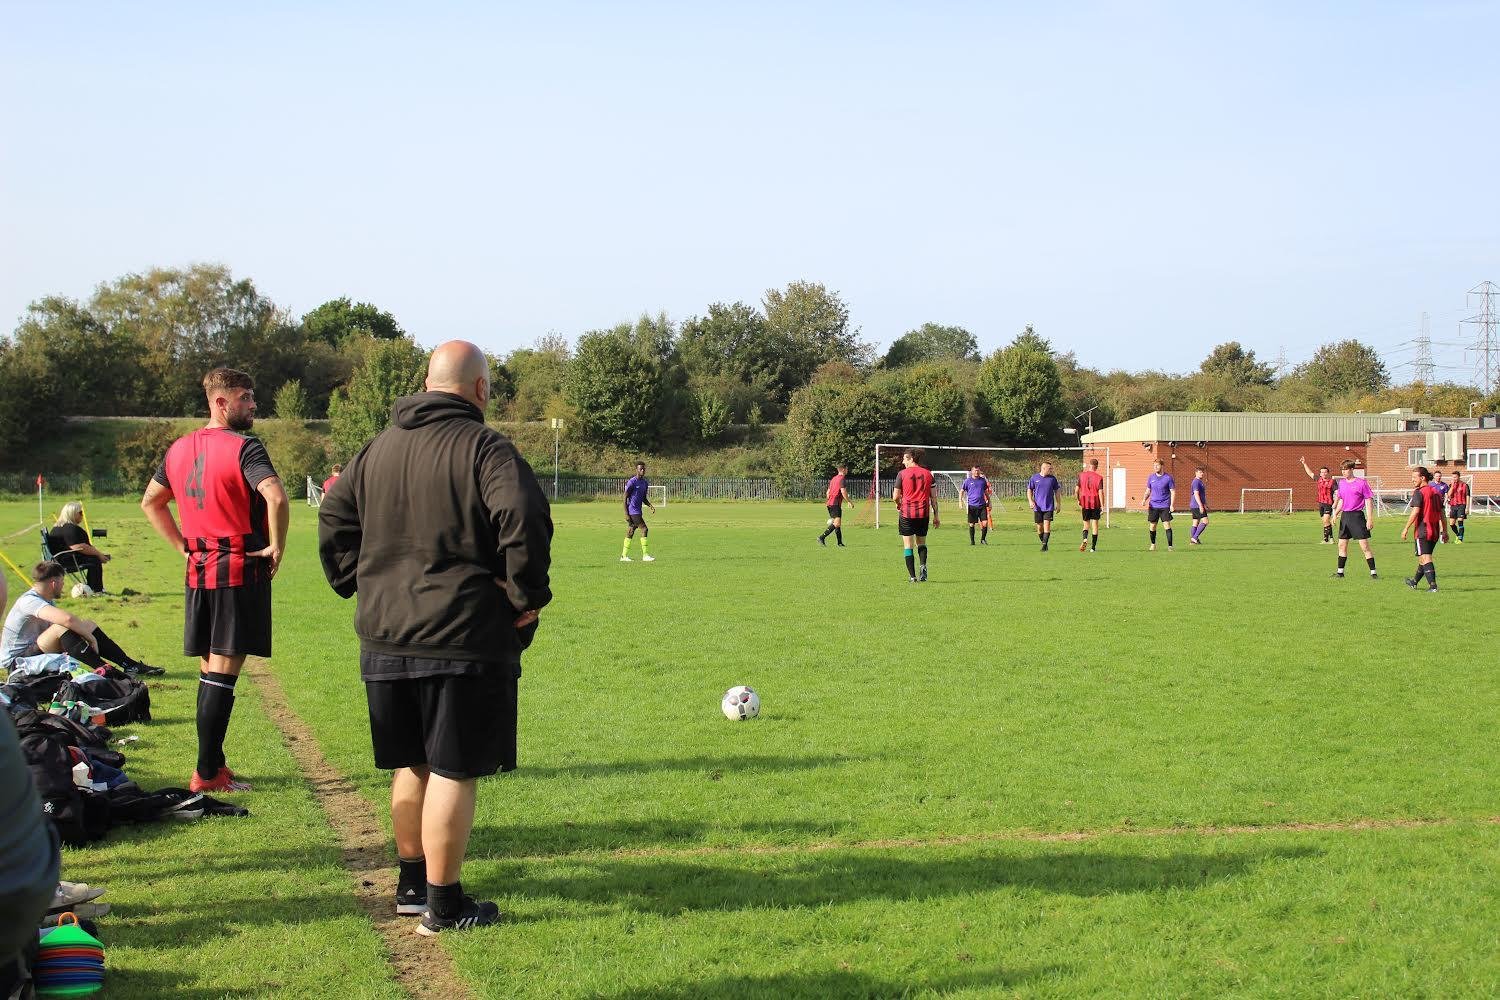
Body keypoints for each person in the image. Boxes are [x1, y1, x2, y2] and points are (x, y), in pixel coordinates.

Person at [318, 340, 552, 935]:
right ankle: (445, 906)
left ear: (426, 384)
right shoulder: (486, 449)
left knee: (410, 761)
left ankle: (412, 884)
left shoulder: (376, 448)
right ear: (480, 390)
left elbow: (333, 517)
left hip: (386, 637)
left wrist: (355, 580)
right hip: (462, 637)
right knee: (453, 768)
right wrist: (524, 597)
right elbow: (523, 517)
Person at [141, 367, 288, 794]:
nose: (253, 404)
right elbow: (275, 496)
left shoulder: (179, 448)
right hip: (238, 569)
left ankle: (214, 766)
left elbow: (151, 502)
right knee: (222, 673)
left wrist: (184, 546)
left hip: (199, 572)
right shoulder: (244, 446)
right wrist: (276, 545)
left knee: (210, 669)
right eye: (244, 397)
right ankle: (206, 773)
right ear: (220, 402)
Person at [1, 561, 161, 678]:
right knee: (61, 627)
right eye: (62, 581)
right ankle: (107, 671)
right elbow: (67, 619)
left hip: (34, 652)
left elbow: (71, 624)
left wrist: (87, 632)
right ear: (54, 583)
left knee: (87, 625)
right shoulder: (29, 600)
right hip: (18, 663)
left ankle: (129, 665)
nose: (63, 585)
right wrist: (91, 639)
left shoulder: (46, 599)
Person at [892, 449, 938, 582]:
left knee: (908, 545)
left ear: (911, 459)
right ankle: (923, 569)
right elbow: (934, 498)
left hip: (906, 514)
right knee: (921, 543)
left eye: (905, 459)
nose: (903, 462)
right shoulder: (928, 474)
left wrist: (898, 504)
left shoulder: (902, 474)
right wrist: (936, 516)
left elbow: (895, 496)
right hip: (923, 514)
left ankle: (913, 577)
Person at [45, 502, 110, 594]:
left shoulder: (58, 527)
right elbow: (80, 547)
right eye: (80, 513)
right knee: (94, 560)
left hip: (59, 559)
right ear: (73, 513)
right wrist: (99, 555)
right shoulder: (71, 529)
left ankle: (93, 589)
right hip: (66, 560)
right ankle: (97, 590)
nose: (82, 515)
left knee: (93, 558)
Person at [1401, 466, 1447, 592]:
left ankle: (1433, 586)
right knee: (1423, 558)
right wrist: (1445, 531)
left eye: (1414, 477)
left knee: (1426, 558)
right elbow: (1442, 514)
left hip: (1423, 530)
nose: (1412, 480)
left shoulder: (1419, 492)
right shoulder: (1436, 493)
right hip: (1435, 531)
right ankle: (1414, 582)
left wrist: (1405, 528)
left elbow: (1415, 512)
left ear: (1422, 478)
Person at [1330, 460, 1377, 579]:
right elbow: (1341, 500)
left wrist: (1370, 518)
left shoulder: (1362, 483)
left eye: (1346, 469)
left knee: (1364, 546)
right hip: (1345, 517)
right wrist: (1335, 513)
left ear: (1352, 469)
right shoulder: (1341, 483)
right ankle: (1340, 573)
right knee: (1342, 545)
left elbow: (1368, 500)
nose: (1344, 472)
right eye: (1342, 470)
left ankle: (1373, 573)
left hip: (1357, 517)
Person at [621, 462, 656, 562]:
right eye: (640, 469)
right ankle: (645, 555)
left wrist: (650, 505)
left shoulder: (645, 483)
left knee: (631, 531)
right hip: (632, 511)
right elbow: (625, 497)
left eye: (644, 469)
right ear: (636, 470)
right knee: (644, 529)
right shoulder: (632, 482)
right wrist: (626, 513)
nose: (643, 471)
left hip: (638, 511)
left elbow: (643, 498)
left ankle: (623, 556)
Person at [1300, 457, 1336, 543]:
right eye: (1322, 472)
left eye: (1325, 472)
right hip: (1321, 504)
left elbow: (1338, 492)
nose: (1323, 473)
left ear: (1328, 473)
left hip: (1328, 503)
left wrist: (1337, 502)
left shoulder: (1332, 481)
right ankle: (1330, 538)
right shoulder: (1318, 479)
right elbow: (1310, 473)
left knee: (1326, 520)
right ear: (1320, 473)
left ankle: (1326, 540)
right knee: (1325, 522)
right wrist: (1304, 463)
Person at [1027, 462, 1059, 552]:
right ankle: (1044, 542)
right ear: (1043, 468)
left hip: (1049, 507)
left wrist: (1059, 503)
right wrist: (1030, 501)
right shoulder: (1034, 478)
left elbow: (1057, 491)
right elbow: (1029, 490)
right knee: (1039, 527)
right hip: (1037, 507)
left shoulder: (1052, 479)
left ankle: (1044, 546)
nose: (1051, 470)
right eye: (1050, 469)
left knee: (1047, 525)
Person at [1145, 459, 1175, 551]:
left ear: (1162, 466)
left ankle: (1170, 546)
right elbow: (1148, 490)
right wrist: (1144, 499)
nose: (1155, 467)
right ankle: (1153, 544)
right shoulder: (1151, 477)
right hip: (1153, 506)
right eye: (1154, 466)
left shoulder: (1168, 478)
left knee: (1167, 525)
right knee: (1152, 526)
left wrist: (1172, 505)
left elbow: (1173, 492)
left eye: (1157, 465)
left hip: (1165, 505)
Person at [818, 464, 851, 547]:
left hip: (830, 503)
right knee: (836, 523)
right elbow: (843, 491)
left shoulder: (833, 479)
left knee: (837, 523)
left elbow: (827, 493)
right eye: (847, 469)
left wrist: (830, 500)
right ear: (843, 469)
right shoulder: (842, 479)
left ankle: (839, 543)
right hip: (835, 503)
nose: (847, 470)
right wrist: (849, 501)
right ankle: (821, 537)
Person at [960, 465, 993, 546]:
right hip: (972, 506)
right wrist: (960, 502)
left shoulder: (982, 481)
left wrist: (990, 501)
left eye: (978, 470)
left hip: (982, 505)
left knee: (985, 523)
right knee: (972, 524)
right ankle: (972, 541)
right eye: (975, 470)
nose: (977, 472)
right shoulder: (967, 481)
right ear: (972, 471)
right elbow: (961, 491)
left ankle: (983, 539)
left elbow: (986, 492)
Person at [1077, 458, 1104, 552]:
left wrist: (1078, 499)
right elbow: (1100, 492)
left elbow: (1076, 490)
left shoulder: (1081, 475)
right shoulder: (1099, 477)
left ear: (1089, 465)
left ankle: (1085, 539)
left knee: (1086, 524)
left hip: (1085, 501)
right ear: (1096, 467)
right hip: (1095, 502)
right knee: (1095, 525)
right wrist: (1102, 506)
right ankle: (1093, 547)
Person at [1188, 468, 1209, 544]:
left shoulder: (1200, 482)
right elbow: (1196, 494)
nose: (1202, 473)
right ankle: (1194, 538)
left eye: (1203, 472)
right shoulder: (1196, 482)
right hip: (1197, 505)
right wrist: (1200, 505)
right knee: (1205, 521)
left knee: (1195, 522)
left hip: (1195, 505)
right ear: (1196, 473)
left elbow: (1202, 495)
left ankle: (1193, 541)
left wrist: (1205, 504)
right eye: (1200, 472)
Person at [1448, 472, 1470, 542]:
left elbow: (1467, 496)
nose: (1454, 479)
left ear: (1459, 477)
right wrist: (1452, 486)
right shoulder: (1451, 485)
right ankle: (1458, 535)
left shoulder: (1465, 485)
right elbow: (1449, 495)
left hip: (1462, 505)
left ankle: (1460, 539)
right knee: (1451, 524)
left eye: (1455, 477)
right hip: (1453, 505)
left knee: (1460, 521)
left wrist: (1467, 507)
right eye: (1453, 477)